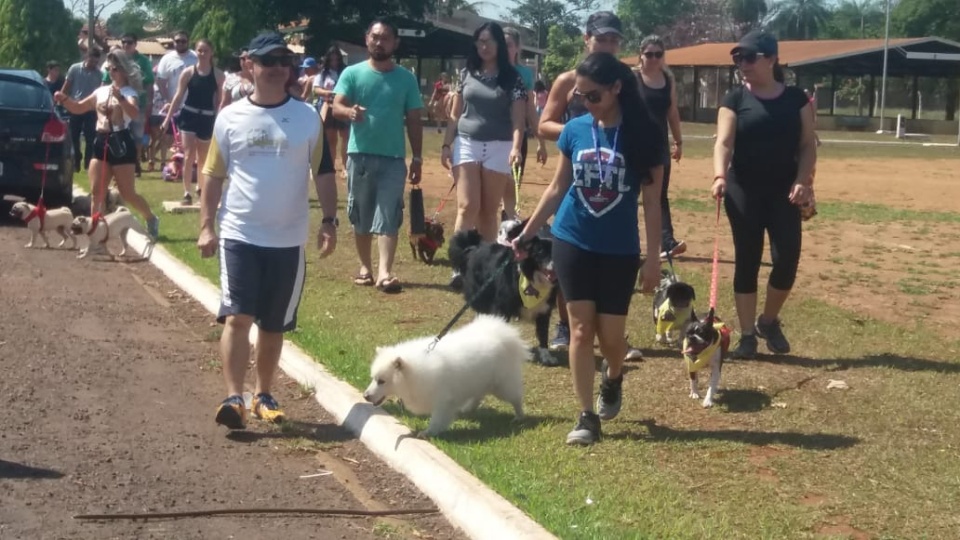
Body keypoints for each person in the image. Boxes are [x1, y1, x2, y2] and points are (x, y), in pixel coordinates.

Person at [513, 52, 663, 445]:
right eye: (580, 96)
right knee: (580, 330)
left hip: (619, 249)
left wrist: (652, 260)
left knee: (612, 338)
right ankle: (585, 416)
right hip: (572, 240)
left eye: (592, 95)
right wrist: (528, 234)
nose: (585, 103)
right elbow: (557, 187)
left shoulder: (645, 135)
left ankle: (613, 378)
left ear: (616, 88)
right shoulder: (574, 130)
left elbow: (651, 202)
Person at [198, 32, 339, 430]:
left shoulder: (308, 117)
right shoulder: (230, 118)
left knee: (274, 325)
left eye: (283, 60)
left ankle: (263, 394)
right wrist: (206, 226)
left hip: (288, 240)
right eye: (268, 60)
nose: (277, 67)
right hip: (240, 234)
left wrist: (330, 220)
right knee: (238, 318)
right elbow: (212, 174)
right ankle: (233, 397)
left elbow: (324, 172)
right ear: (250, 66)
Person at [711, 30, 816, 359]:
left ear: (771, 59)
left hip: (785, 191)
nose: (742, 64)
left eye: (749, 57)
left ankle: (767, 321)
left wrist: (803, 180)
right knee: (747, 259)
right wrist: (718, 175)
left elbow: (807, 145)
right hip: (742, 188)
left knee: (786, 261)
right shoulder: (734, 99)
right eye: (738, 58)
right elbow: (724, 143)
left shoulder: (797, 99)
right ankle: (746, 336)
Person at [536, 11, 627, 354]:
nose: (607, 45)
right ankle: (565, 324)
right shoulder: (567, 81)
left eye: (613, 40)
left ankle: (613, 332)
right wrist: (584, 135)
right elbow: (544, 124)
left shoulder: (625, 81)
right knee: (568, 248)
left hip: (614, 175)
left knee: (611, 254)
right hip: (576, 174)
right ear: (586, 39)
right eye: (601, 39)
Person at [332, 18, 424, 294]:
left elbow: (415, 119)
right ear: (366, 39)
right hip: (359, 155)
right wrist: (349, 113)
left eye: (385, 38)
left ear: (395, 43)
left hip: (393, 158)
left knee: (388, 214)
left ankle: (385, 272)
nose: (379, 42)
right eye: (375, 37)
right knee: (361, 213)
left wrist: (417, 157)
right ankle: (365, 267)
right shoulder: (352, 73)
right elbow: (336, 106)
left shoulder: (406, 79)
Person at [441, 22, 526, 289]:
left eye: (489, 41)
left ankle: (487, 268)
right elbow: (455, 115)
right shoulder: (466, 73)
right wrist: (446, 144)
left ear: (500, 44)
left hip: (499, 146)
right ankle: (459, 267)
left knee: (489, 211)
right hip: (467, 143)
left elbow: (518, 120)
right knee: (468, 206)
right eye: (480, 41)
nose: (484, 46)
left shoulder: (513, 78)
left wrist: (515, 147)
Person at [55, 50, 160, 240]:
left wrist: (120, 99)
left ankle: (151, 218)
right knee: (97, 192)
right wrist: (64, 100)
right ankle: (96, 231)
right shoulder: (101, 91)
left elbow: (135, 113)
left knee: (127, 193)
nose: (112, 72)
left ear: (125, 71)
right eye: (110, 68)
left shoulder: (129, 93)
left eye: (116, 68)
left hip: (120, 142)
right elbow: (79, 107)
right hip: (101, 140)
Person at [635, 35, 685, 260]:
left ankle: (667, 242)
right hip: (633, 147)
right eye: (649, 54)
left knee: (659, 197)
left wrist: (678, 141)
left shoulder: (667, 79)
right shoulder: (632, 78)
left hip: (659, 147)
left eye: (658, 54)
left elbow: (672, 112)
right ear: (641, 56)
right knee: (629, 196)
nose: (654, 59)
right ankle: (629, 243)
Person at [162, 39, 224, 206]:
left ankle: (200, 188)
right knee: (188, 155)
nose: (202, 54)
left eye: (205, 50)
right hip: (188, 115)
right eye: (199, 50)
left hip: (207, 117)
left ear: (211, 52)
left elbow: (220, 101)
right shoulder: (188, 72)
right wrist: (168, 118)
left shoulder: (218, 75)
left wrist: (219, 120)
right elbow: (178, 96)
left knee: (203, 158)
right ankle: (186, 192)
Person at [502, 26, 548, 221]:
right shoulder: (488, 71)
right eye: (502, 45)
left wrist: (541, 142)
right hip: (491, 137)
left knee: (511, 189)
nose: (505, 50)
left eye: (509, 45)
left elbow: (531, 111)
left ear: (517, 48)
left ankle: (506, 232)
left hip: (517, 139)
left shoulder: (524, 74)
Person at [103, 33, 154, 177]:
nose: (126, 45)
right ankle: (117, 161)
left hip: (138, 102)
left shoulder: (143, 61)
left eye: (129, 42)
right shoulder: (114, 60)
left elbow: (149, 82)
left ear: (135, 44)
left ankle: (135, 161)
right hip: (115, 102)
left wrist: (150, 102)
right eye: (124, 42)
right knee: (117, 133)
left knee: (137, 135)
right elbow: (105, 79)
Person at [62, 48, 103, 173]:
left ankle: (87, 162)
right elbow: (67, 85)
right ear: (86, 57)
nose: (93, 64)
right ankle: (76, 160)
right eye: (91, 61)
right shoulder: (75, 68)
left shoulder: (99, 73)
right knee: (74, 135)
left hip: (90, 108)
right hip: (75, 105)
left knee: (90, 137)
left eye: (96, 62)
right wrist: (63, 98)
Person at [312, 46, 350, 176]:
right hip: (327, 107)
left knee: (345, 136)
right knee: (330, 138)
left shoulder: (345, 72)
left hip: (343, 106)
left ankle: (345, 167)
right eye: (332, 59)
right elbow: (316, 89)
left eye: (336, 59)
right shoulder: (322, 74)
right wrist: (328, 92)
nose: (334, 61)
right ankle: (332, 166)